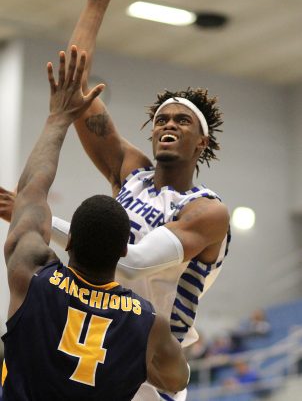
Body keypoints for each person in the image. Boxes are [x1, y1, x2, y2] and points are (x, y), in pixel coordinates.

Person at [0, 0, 230, 401]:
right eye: (161, 118)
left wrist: (38, 218)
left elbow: (135, 261)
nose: (168, 124)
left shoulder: (206, 209)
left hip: (149, 360)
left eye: (181, 120)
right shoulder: (132, 174)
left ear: (202, 142)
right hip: (94, 328)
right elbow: (76, 90)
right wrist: (96, 2)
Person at [1, 47, 189, 401]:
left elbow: (31, 194)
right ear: (123, 250)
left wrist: (57, 119)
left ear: (67, 242)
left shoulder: (32, 277)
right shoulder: (147, 322)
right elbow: (177, 380)